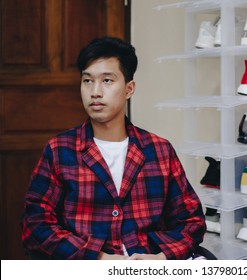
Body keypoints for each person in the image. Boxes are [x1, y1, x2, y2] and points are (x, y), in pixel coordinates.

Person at [20, 36, 206, 260]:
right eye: (87, 81)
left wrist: (161, 257)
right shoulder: (60, 150)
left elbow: (191, 221)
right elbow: (36, 225)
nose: (95, 92)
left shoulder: (159, 150)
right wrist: (97, 258)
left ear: (129, 89)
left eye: (107, 81)